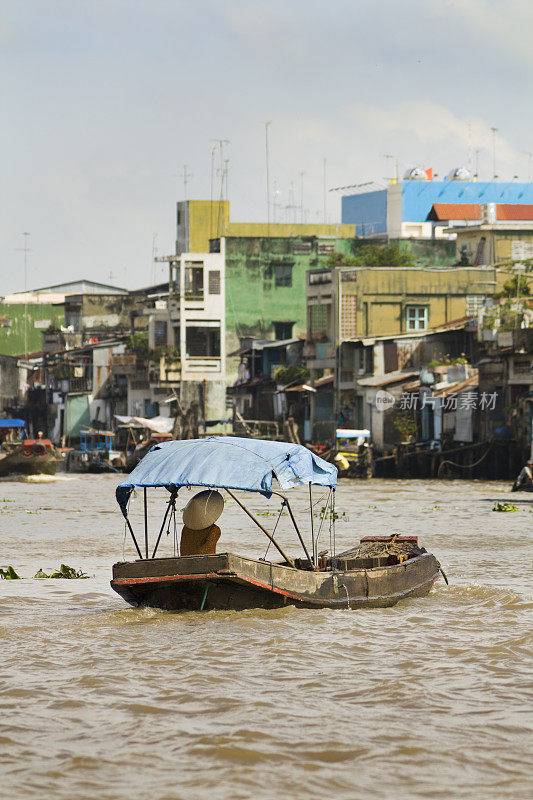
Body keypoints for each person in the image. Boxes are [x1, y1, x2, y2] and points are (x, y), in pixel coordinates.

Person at [180, 489, 224, 556]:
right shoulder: (214, 530)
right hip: (204, 563)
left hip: (186, 560)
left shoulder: (186, 527)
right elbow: (206, 550)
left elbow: (183, 549)